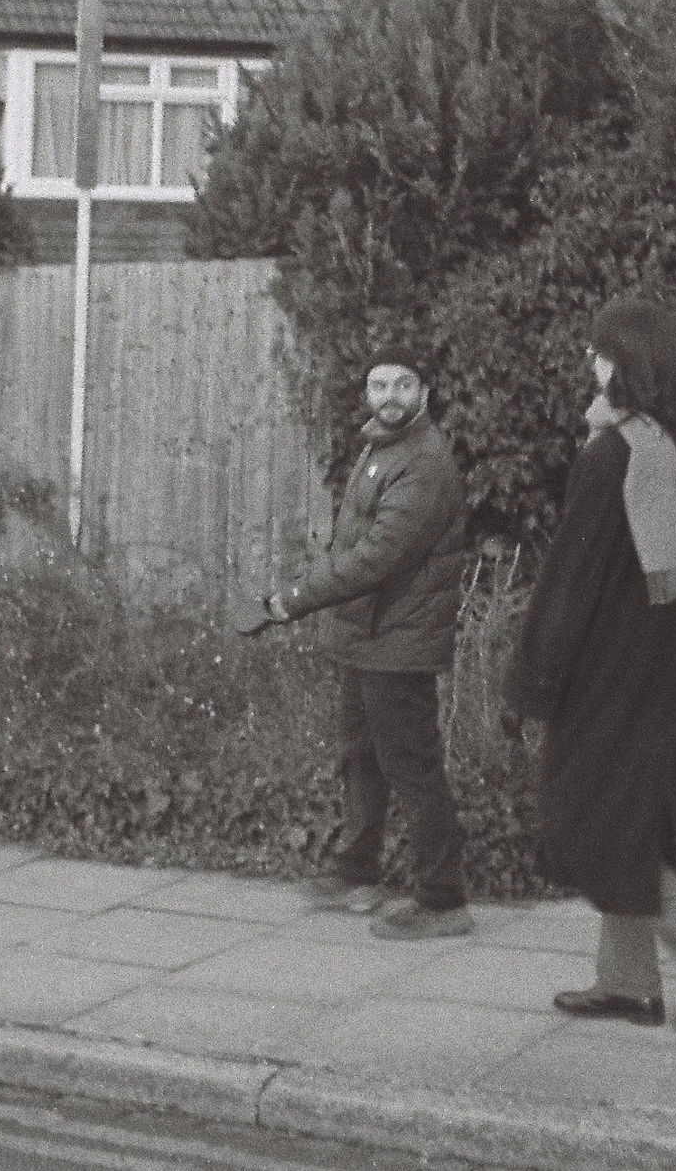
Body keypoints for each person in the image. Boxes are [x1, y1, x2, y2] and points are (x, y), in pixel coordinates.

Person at [507, 298, 676, 1028]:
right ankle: (628, 984)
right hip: (674, 667)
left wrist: (530, 684)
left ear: (628, 364)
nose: (592, 366)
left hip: (610, 674)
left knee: (584, 819)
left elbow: (569, 586)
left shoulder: (614, 455)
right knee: (637, 813)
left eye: (600, 355)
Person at [237, 346, 473, 940]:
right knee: (361, 759)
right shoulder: (382, 447)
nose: (388, 397)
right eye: (377, 385)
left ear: (426, 393)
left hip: (400, 639)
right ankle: (358, 875)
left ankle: (444, 901)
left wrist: (289, 601)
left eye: (402, 385)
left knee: (413, 767)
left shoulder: (423, 462)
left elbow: (377, 558)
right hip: (364, 637)